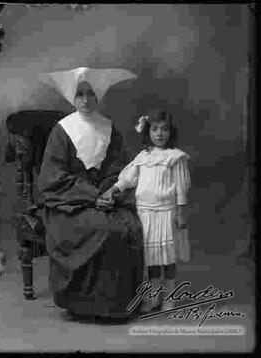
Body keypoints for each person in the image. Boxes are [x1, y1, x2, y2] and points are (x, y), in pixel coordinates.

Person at [38, 67, 144, 323]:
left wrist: (111, 193)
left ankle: (119, 305)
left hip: (105, 198)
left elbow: (120, 169)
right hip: (69, 203)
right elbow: (53, 177)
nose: (85, 100)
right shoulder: (62, 131)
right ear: (72, 99)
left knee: (130, 226)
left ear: (99, 97)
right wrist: (92, 196)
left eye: (91, 94)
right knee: (105, 230)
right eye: (80, 95)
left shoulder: (108, 128)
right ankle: (83, 304)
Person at [100, 110, 191, 313]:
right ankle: (152, 297)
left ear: (171, 132)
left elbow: (181, 188)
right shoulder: (143, 157)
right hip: (145, 214)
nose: (159, 134)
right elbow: (126, 179)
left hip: (167, 213)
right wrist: (112, 190)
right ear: (148, 131)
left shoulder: (175, 157)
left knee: (167, 258)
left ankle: (169, 297)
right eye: (155, 129)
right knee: (151, 259)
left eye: (164, 129)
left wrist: (181, 213)